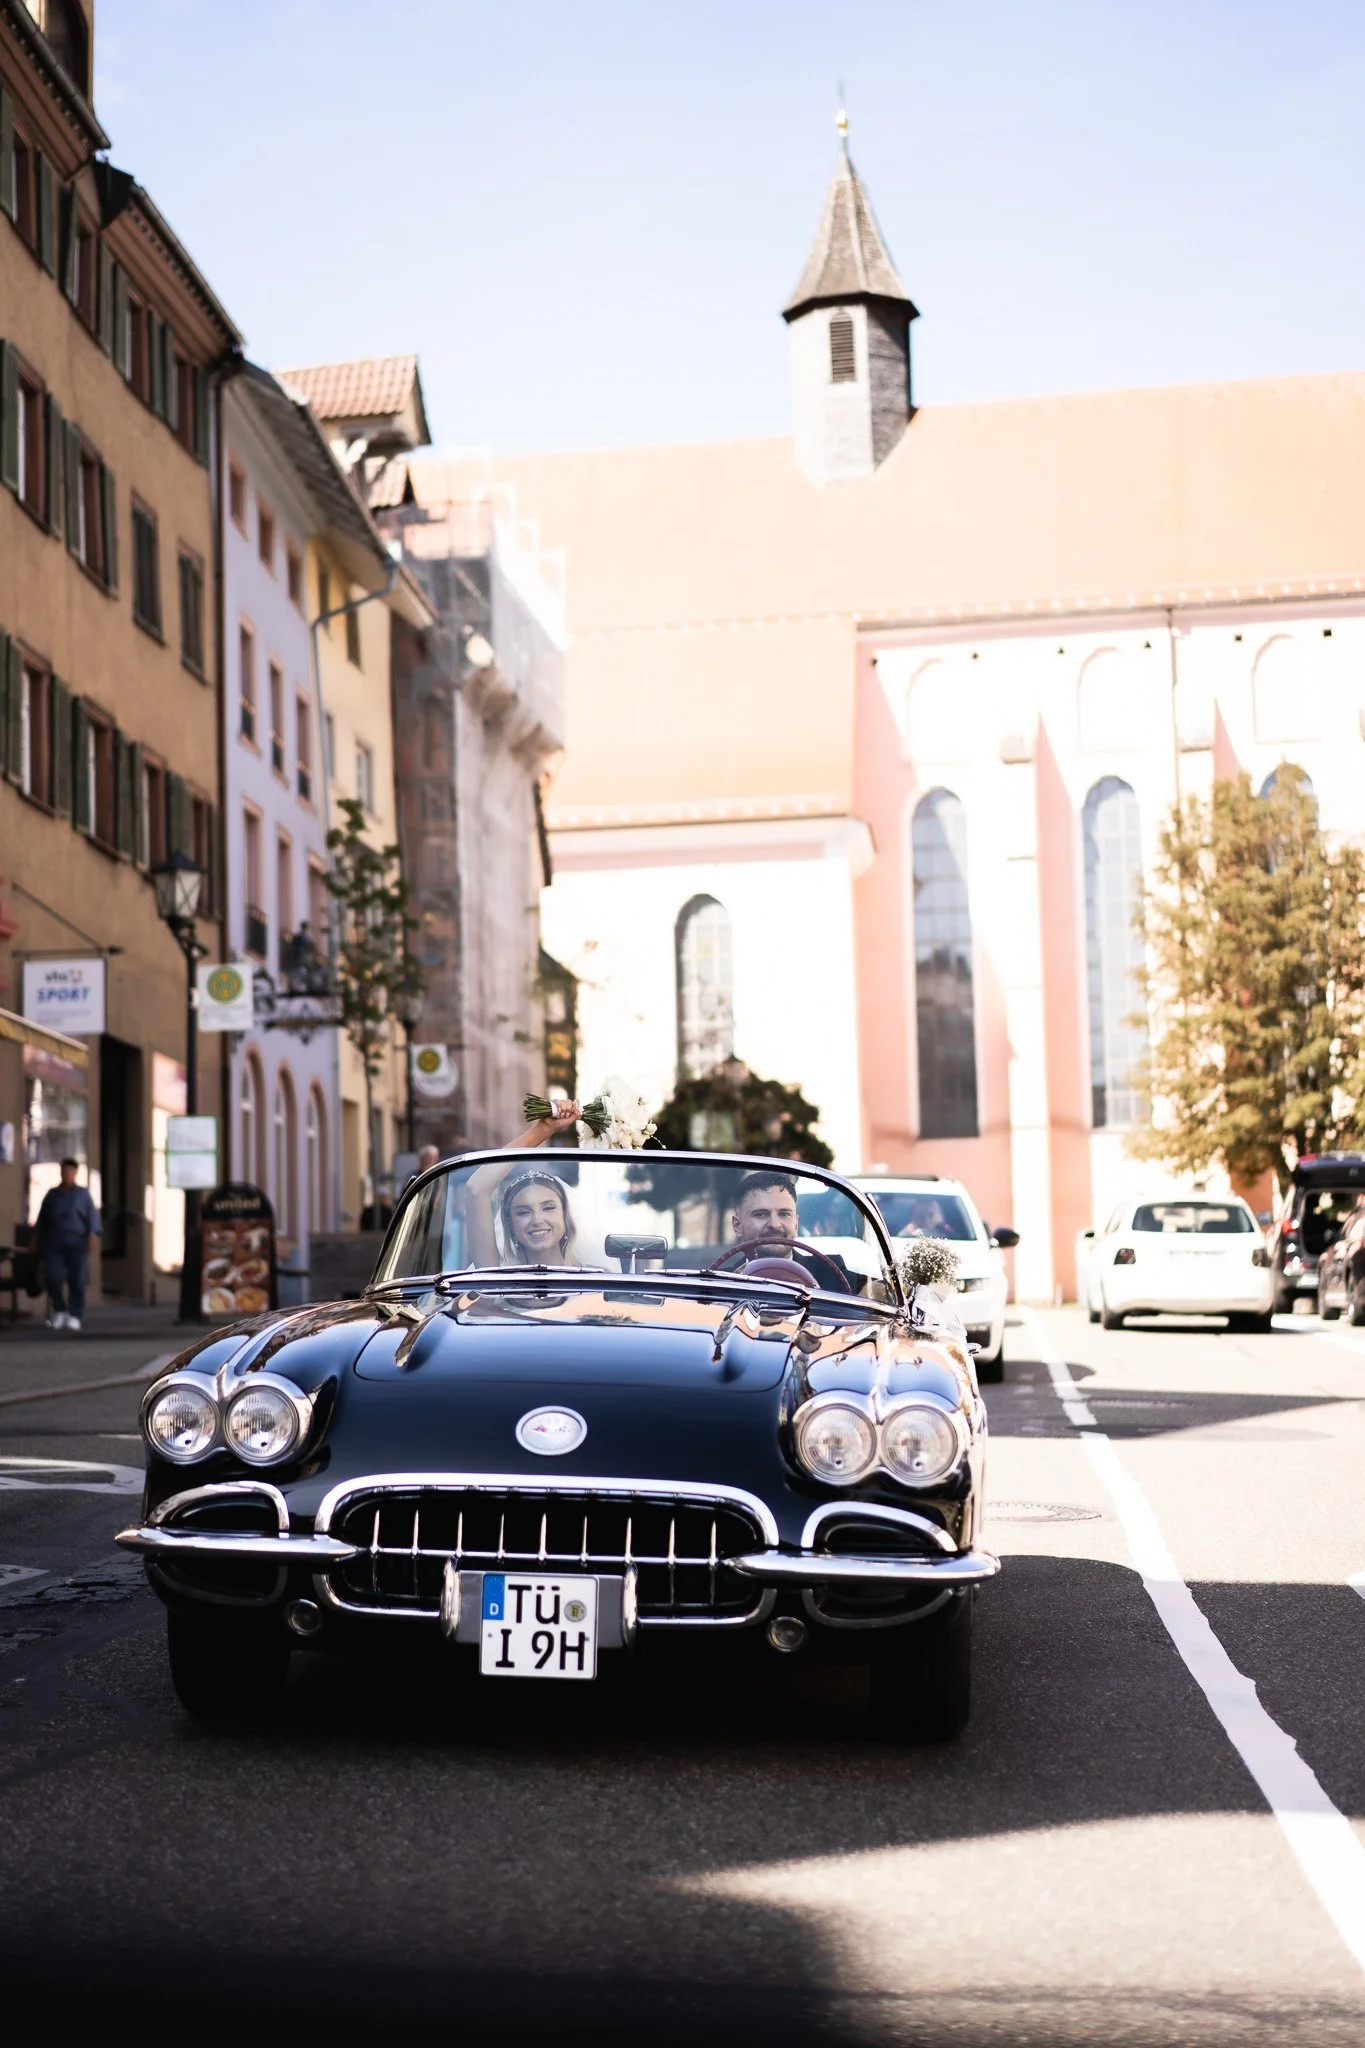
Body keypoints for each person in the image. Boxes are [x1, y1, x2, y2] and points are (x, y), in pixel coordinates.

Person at [467, 1101, 584, 1267]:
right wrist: (543, 1130)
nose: (537, 1220)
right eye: (523, 1212)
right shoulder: (496, 1277)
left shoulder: (598, 1279)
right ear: (510, 1226)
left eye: (548, 1208)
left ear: (565, 1216)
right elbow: (475, 1189)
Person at [35, 1158, 101, 1331]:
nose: (67, 1175)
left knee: (77, 1280)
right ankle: (60, 1310)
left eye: (71, 1172)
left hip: (77, 1242)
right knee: (53, 1276)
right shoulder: (52, 1195)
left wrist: (91, 1235)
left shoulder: (82, 1194)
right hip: (55, 1243)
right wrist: (36, 1238)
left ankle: (75, 1314)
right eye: (65, 1171)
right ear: (61, 1172)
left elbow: (92, 1217)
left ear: (75, 1173)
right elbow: (42, 1219)